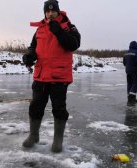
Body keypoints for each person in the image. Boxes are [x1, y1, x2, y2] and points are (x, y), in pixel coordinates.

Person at [22, 0, 80, 153]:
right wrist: (29, 56)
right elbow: (32, 46)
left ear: (58, 12)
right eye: (47, 11)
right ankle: (34, 136)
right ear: (45, 13)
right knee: (35, 107)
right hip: (40, 76)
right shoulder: (40, 29)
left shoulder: (69, 27)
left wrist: (58, 31)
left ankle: (57, 141)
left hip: (59, 78)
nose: (50, 13)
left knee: (59, 109)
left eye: (53, 11)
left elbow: (73, 44)